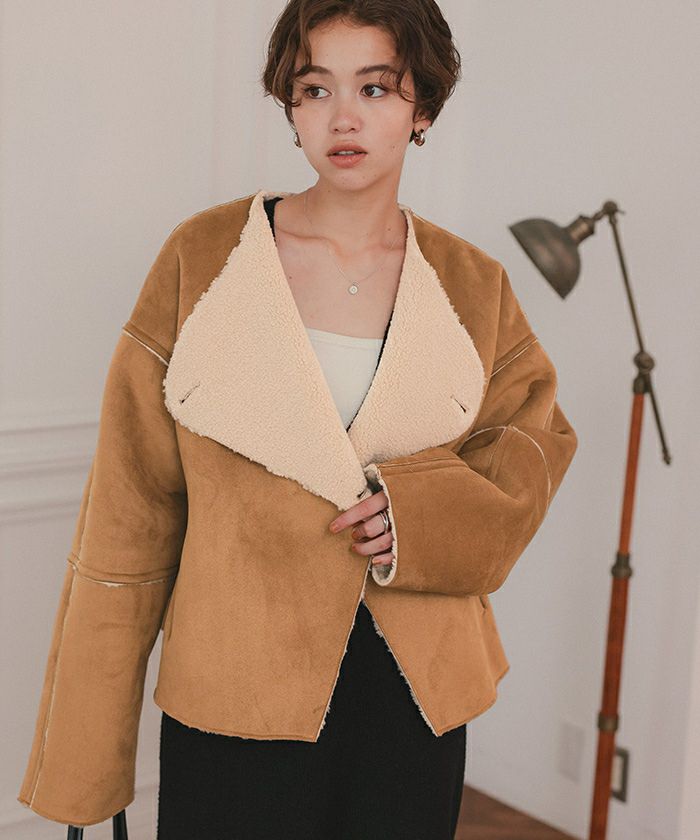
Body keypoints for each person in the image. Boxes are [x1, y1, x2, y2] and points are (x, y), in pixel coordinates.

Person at [17, 1, 579, 838]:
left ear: (423, 107)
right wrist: (88, 754)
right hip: (234, 689)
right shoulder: (204, 257)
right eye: (316, 89)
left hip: (414, 693)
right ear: (291, 106)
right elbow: (129, 515)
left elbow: (532, 442)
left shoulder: (474, 283)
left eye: (375, 88)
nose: (343, 117)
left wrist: (422, 513)